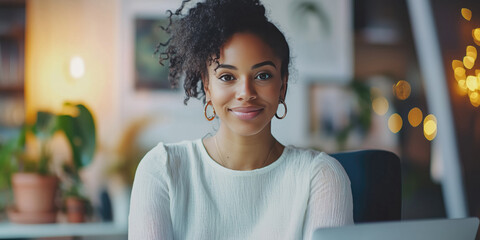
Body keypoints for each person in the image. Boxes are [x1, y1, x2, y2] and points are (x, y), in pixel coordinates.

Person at [128, 0, 353, 239]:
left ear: (283, 85)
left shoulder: (320, 177)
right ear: (207, 86)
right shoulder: (162, 169)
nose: (246, 92)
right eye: (227, 76)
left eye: (263, 75)